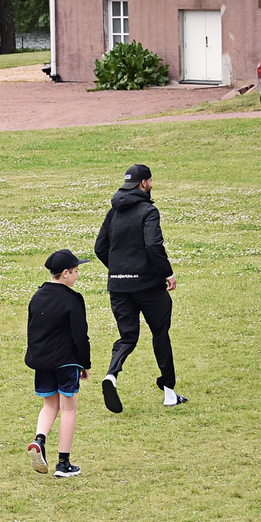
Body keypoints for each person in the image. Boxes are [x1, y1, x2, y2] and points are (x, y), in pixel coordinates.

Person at [93, 163, 186, 412]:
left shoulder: (113, 212)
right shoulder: (148, 211)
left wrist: (119, 271)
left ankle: (112, 375)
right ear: (144, 183)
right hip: (148, 286)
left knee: (128, 337)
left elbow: (100, 248)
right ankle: (169, 392)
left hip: (119, 287)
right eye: (151, 181)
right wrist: (167, 273)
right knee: (160, 333)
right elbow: (153, 245)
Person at [25, 250, 92, 477]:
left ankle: (39, 440)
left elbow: (32, 330)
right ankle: (63, 463)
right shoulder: (73, 299)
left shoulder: (37, 297)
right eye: (75, 272)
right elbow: (80, 336)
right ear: (65, 273)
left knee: (49, 405)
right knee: (68, 408)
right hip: (66, 362)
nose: (77, 276)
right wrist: (84, 363)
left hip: (42, 362)